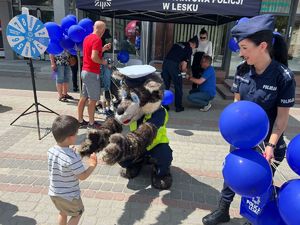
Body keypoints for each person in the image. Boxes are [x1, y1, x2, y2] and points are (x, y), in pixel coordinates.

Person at [202, 14, 296, 225]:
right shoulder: (242, 70)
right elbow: (237, 107)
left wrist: (271, 146)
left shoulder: (283, 77)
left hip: (268, 145)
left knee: (258, 183)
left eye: (245, 48)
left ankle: (253, 217)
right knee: (231, 176)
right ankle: (222, 210)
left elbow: (281, 119)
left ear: (262, 46)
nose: (240, 53)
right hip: (242, 142)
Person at [48, 115, 97, 225]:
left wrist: (69, 151)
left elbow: (64, 162)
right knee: (77, 213)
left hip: (54, 193)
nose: (77, 136)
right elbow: (82, 176)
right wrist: (92, 165)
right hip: (69, 196)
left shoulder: (51, 150)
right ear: (70, 137)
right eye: (76, 134)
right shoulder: (72, 158)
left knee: (63, 212)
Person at [77, 21, 111, 129]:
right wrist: (104, 62)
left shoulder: (87, 38)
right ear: (102, 30)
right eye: (104, 29)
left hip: (85, 71)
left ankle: (80, 120)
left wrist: (103, 49)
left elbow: (91, 52)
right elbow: (94, 57)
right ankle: (91, 123)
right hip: (92, 73)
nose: (104, 31)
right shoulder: (97, 39)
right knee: (93, 99)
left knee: (83, 97)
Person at [161, 36, 199, 112]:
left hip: (165, 64)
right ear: (194, 44)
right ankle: (178, 107)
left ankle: (164, 106)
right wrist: (185, 72)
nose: (194, 49)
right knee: (178, 86)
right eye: (195, 47)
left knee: (166, 86)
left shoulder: (178, 43)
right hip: (173, 66)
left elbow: (176, 55)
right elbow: (184, 66)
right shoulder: (189, 49)